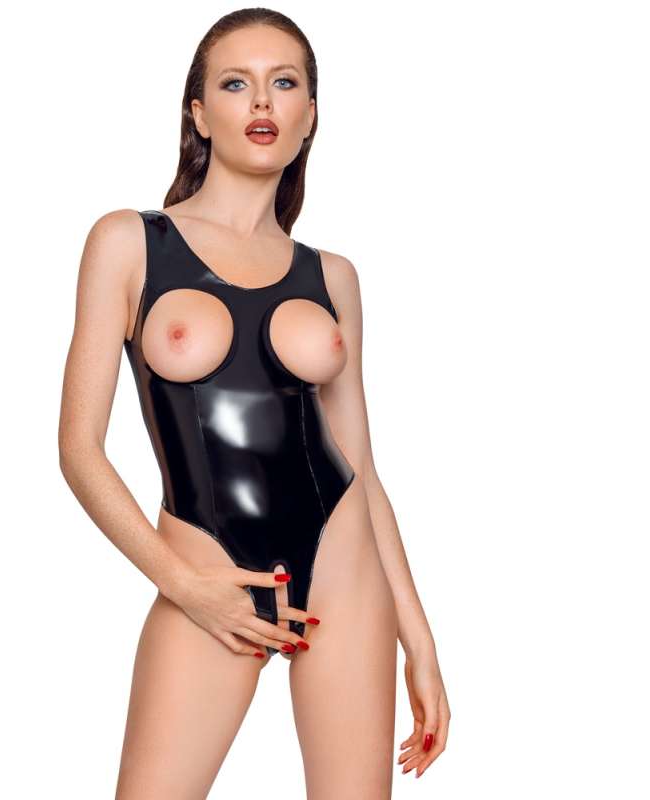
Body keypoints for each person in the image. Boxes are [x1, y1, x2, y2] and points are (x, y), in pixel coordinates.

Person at [58, 8, 450, 798]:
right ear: (200, 114)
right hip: (207, 572)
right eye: (236, 84)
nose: (263, 102)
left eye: (285, 83)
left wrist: (420, 639)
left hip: (343, 570)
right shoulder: (128, 243)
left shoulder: (333, 276)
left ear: (310, 116)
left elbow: (362, 467)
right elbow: (79, 450)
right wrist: (184, 586)